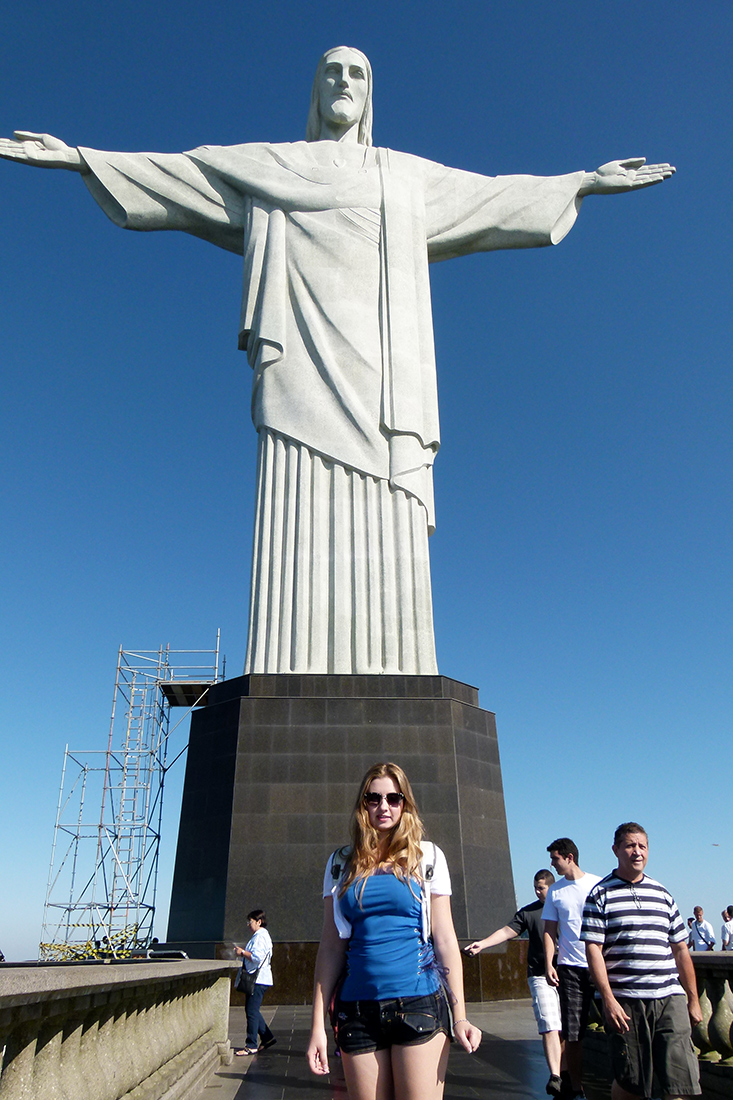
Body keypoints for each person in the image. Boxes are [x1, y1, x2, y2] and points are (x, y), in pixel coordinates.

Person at [0, 48, 675, 678]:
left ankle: (397, 664)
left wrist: (582, 182)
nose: (343, 83)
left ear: (370, 93)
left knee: (388, 501)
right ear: (315, 90)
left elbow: (493, 196)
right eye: (331, 72)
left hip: (385, 370)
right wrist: (80, 159)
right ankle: (285, 662)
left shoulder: (402, 175)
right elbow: (181, 175)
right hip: (297, 355)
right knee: (295, 491)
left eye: (357, 74)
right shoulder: (270, 166)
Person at [306, 761, 482, 1100]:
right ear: (363, 804)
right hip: (357, 1012)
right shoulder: (340, 863)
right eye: (373, 798)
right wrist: (317, 1027)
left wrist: (460, 1016)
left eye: (393, 798)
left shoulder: (427, 857)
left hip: (419, 1005)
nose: (383, 806)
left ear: (405, 804)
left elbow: (445, 940)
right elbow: (330, 947)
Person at [581, 822, 702, 1100]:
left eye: (642, 846)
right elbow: (593, 950)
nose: (637, 852)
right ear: (616, 850)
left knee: (680, 1082)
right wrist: (608, 1000)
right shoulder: (600, 894)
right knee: (631, 1084)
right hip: (626, 1002)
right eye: (630, 846)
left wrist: (693, 999)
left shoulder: (663, 893)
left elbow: (680, 950)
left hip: (669, 998)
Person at [465, 869, 565, 1097]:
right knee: (549, 1023)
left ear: (551, 887)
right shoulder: (529, 912)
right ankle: (555, 1076)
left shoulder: (564, 907)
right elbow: (506, 932)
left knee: (565, 1028)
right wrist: (482, 944)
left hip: (566, 973)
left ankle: (565, 1072)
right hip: (539, 974)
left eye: (541, 888)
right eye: (535, 888)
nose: (537, 892)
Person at [542, 838, 601, 1100]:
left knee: (616, 1026)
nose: (552, 865)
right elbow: (549, 930)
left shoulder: (597, 885)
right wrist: (549, 963)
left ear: (569, 857)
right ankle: (576, 1087)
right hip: (570, 969)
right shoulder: (555, 892)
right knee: (573, 1032)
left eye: (555, 859)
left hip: (600, 965)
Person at [234, 908, 276, 1057]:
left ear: (259, 922)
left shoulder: (260, 936)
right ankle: (267, 1037)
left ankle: (251, 1045)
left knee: (251, 1011)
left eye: (250, 921)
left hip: (258, 979)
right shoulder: (261, 935)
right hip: (260, 979)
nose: (248, 925)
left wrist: (242, 952)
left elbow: (257, 957)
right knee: (252, 1010)